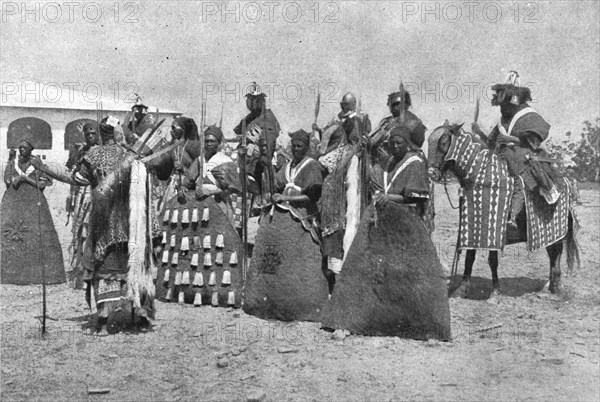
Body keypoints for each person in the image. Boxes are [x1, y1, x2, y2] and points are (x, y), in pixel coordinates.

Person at [31, 116, 159, 334]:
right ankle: (140, 313)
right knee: (135, 263)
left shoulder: (93, 155)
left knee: (104, 264)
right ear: (118, 133)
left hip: (105, 221)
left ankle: (103, 316)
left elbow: (75, 178)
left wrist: (44, 167)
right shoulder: (133, 154)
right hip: (134, 221)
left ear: (101, 134)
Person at [153, 125, 245, 308]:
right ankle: (193, 288)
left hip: (218, 204)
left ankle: (220, 290)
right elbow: (188, 180)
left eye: (213, 141)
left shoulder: (225, 160)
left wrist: (215, 191)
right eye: (207, 141)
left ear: (219, 143)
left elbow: (235, 187)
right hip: (199, 207)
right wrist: (182, 190)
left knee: (219, 245)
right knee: (198, 247)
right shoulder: (199, 160)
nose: (209, 144)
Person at [243, 129, 327, 322]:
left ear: (306, 147)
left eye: (300, 146)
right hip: (284, 215)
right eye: (294, 146)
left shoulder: (312, 166)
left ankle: (302, 302)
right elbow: (277, 187)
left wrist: (287, 197)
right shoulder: (287, 166)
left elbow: (312, 196)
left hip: (303, 216)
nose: (296, 149)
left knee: (300, 258)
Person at [472, 71, 557, 229]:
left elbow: (535, 141)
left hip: (522, 156)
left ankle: (514, 216)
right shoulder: (500, 122)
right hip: (500, 157)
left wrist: (511, 139)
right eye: (501, 103)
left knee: (520, 180)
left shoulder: (528, 116)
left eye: (506, 103)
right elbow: (489, 144)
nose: (503, 107)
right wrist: (478, 133)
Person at [312, 92, 370, 293]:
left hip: (352, 168)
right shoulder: (341, 122)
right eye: (342, 104)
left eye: (346, 104)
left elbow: (353, 143)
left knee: (349, 216)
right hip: (340, 168)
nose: (343, 106)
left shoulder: (354, 123)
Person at [1, 140, 65, 285]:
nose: (21, 150)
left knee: (36, 236)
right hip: (14, 205)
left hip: (33, 204)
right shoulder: (13, 163)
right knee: (14, 236)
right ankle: (13, 274)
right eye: (20, 147)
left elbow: (42, 185)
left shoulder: (37, 164)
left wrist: (25, 179)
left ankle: (38, 275)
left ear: (31, 149)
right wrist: (10, 160)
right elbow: (7, 180)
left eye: (24, 147)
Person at [371, 127, 431, 225]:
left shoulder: (415, 163)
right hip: (386, 215)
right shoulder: (387, 162)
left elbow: (414, 198)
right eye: (392, 143)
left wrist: (389, 198)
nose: (395, 146)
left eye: (399, 143)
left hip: (408, 217)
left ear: (407, 144)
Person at [65, 122, 99, 288]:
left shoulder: (102, 151)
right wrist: (71, 196)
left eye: (93, 134)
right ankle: (80, 267)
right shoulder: (80, 151)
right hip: (81, 193)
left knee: (92, 229)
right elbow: (73, 174)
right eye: (88, 134)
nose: (90, 137)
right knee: (80, 231)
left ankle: (93, 268)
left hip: (96, 193)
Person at [368, 88, 427, 164]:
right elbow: (373, 138)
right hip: (377, 157)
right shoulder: (385, 121)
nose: (396, 106)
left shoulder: (413, 121)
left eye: (398, 104)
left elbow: (416, 144)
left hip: (402, 159)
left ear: (406, 104)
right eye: (393, 104)